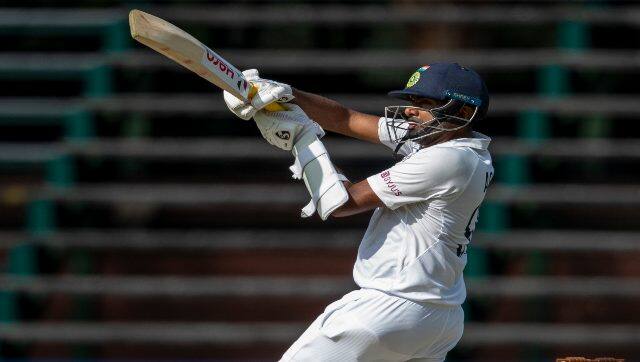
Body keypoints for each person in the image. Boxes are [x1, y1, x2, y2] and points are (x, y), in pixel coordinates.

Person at [223, 63, 494, 362]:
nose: (409, 111)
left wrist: (301, 138)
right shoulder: (456, 146)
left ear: (464, 113)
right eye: (413, 102)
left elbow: (341, 202)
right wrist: (288, 96)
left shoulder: (447, 160)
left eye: (426, 104)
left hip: (389, 308)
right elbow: (346, 118)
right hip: (440, 319)